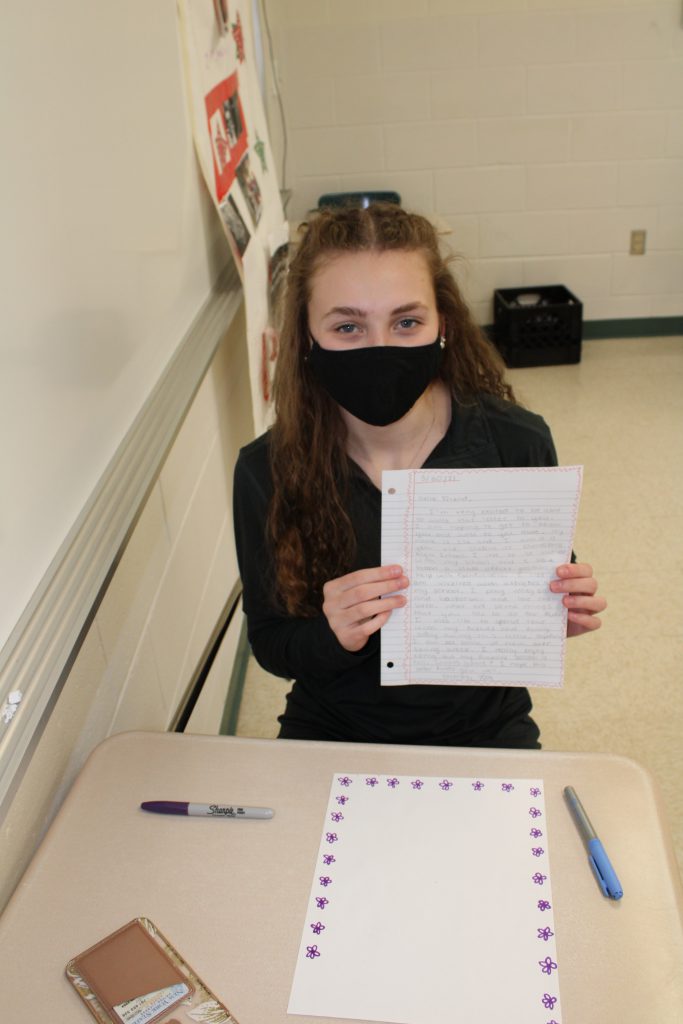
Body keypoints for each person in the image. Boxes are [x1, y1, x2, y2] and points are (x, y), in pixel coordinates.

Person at [233, 203, 606, 748]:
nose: (380, 347)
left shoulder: (514, 443)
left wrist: (559, 610)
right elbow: (272, 644)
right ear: (307, 339)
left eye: (407, 322)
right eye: (347, 326)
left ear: (444, 325)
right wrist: (333, 635)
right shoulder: (267, 470)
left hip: (485, 726)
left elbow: (540, 587)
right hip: (334, 726)